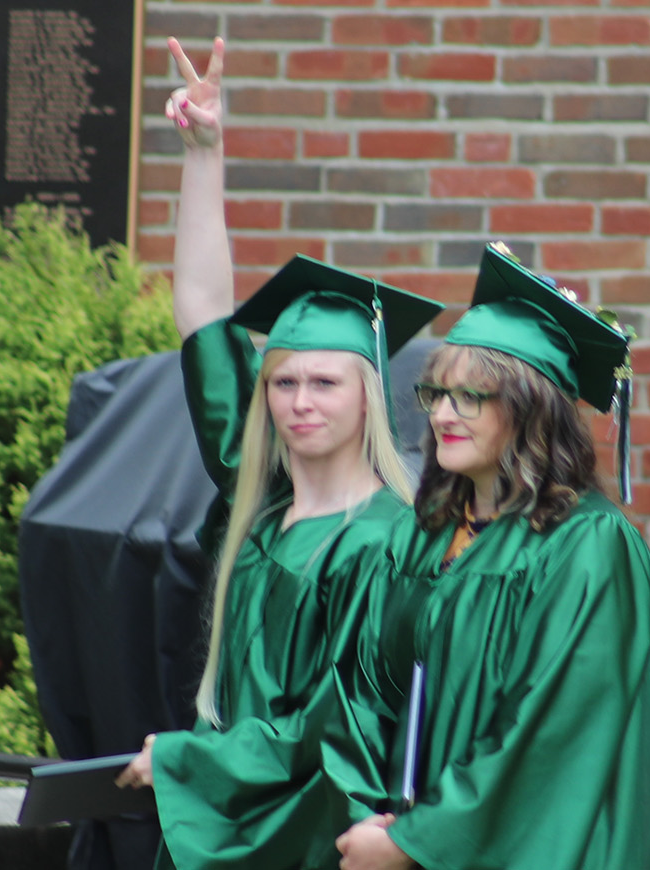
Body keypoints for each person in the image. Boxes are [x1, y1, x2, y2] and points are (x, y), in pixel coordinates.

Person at [113, 37, 445, 870]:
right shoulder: (257, 499)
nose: (300, 401)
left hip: (313, 828)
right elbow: (201, 313)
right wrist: (204, 152)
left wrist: (191, 760)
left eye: (326, 383)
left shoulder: (391, 542)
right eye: (284, 381)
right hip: (221, 817)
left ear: (370, 391)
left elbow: (343, 724)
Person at [323, 243, 650, 870]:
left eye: (471, 397)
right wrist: (368, 812)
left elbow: (551, 735)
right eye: (437, 394)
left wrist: (415, 842)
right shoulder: (421, 534)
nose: (444, 415)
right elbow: (361, 691)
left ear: (532, 411)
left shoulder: (589, 545)